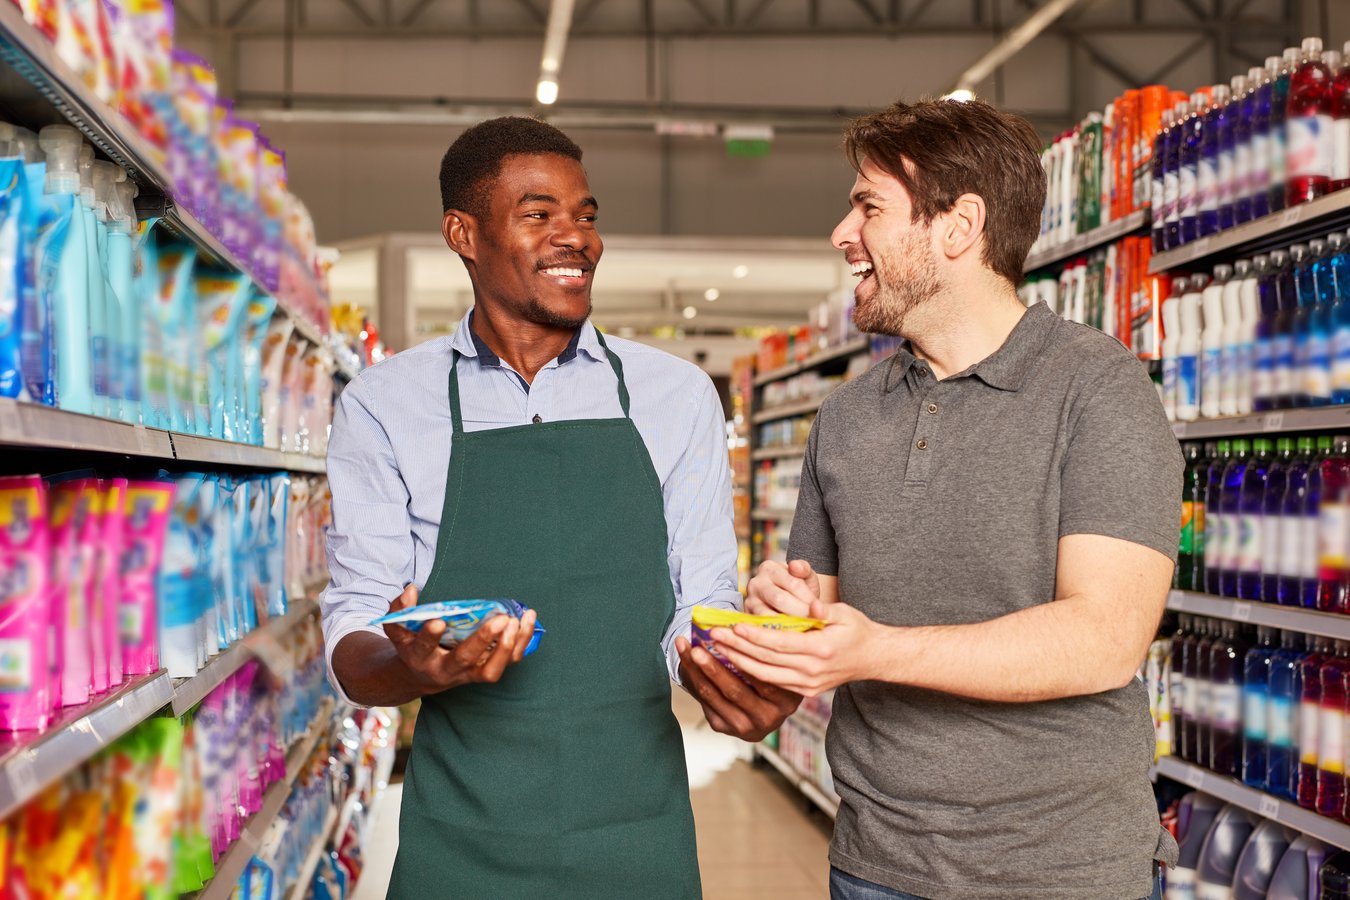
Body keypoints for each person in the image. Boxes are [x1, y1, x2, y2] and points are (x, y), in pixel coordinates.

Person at [706, 98, 1183, 900]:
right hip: (873, 862)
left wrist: (874, 649)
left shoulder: (1099, 389)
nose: (841, 234)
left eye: (868, 206)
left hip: (1060, 873)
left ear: (958, 227)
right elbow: (817, 613)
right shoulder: (846, 415)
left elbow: (1107, 638)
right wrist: (775, 614)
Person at [319, 116, 799, 899]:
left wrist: (726, 672)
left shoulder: (674, 396)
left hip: (635, 827)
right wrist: (412, 668)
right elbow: (354, 631)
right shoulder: (385, 404)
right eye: (539, 214)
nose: (576, 236)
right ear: (463, 234)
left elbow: (701, 597)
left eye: (586, 215)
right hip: (461, 835)